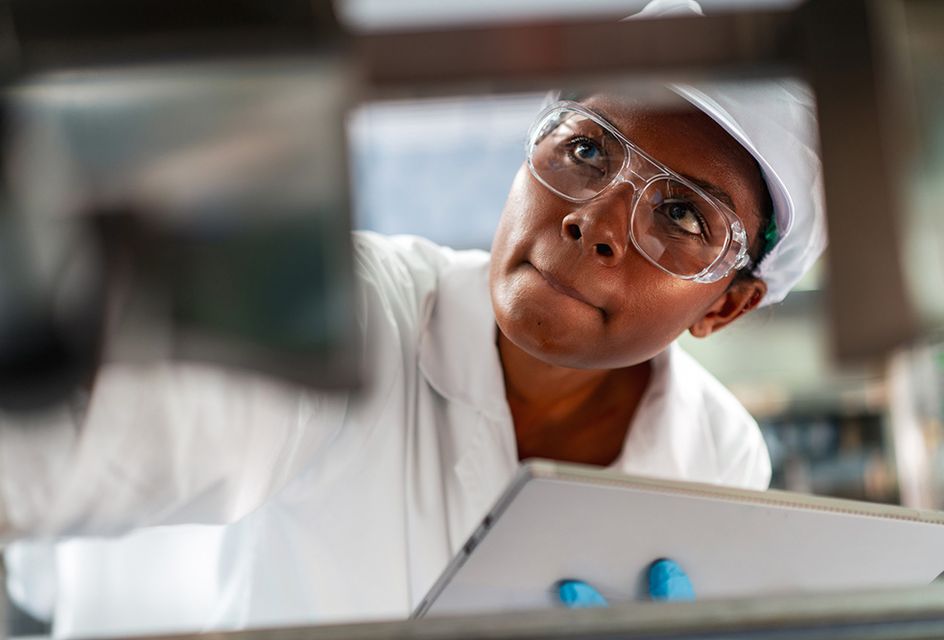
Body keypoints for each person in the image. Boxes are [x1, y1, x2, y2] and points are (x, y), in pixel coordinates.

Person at [0, 33, 826, 640]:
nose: (593, 220)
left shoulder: (719, 452)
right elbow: (104, 432)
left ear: (726, 308)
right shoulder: (356, 313)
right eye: (586, 148)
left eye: (682, 213)